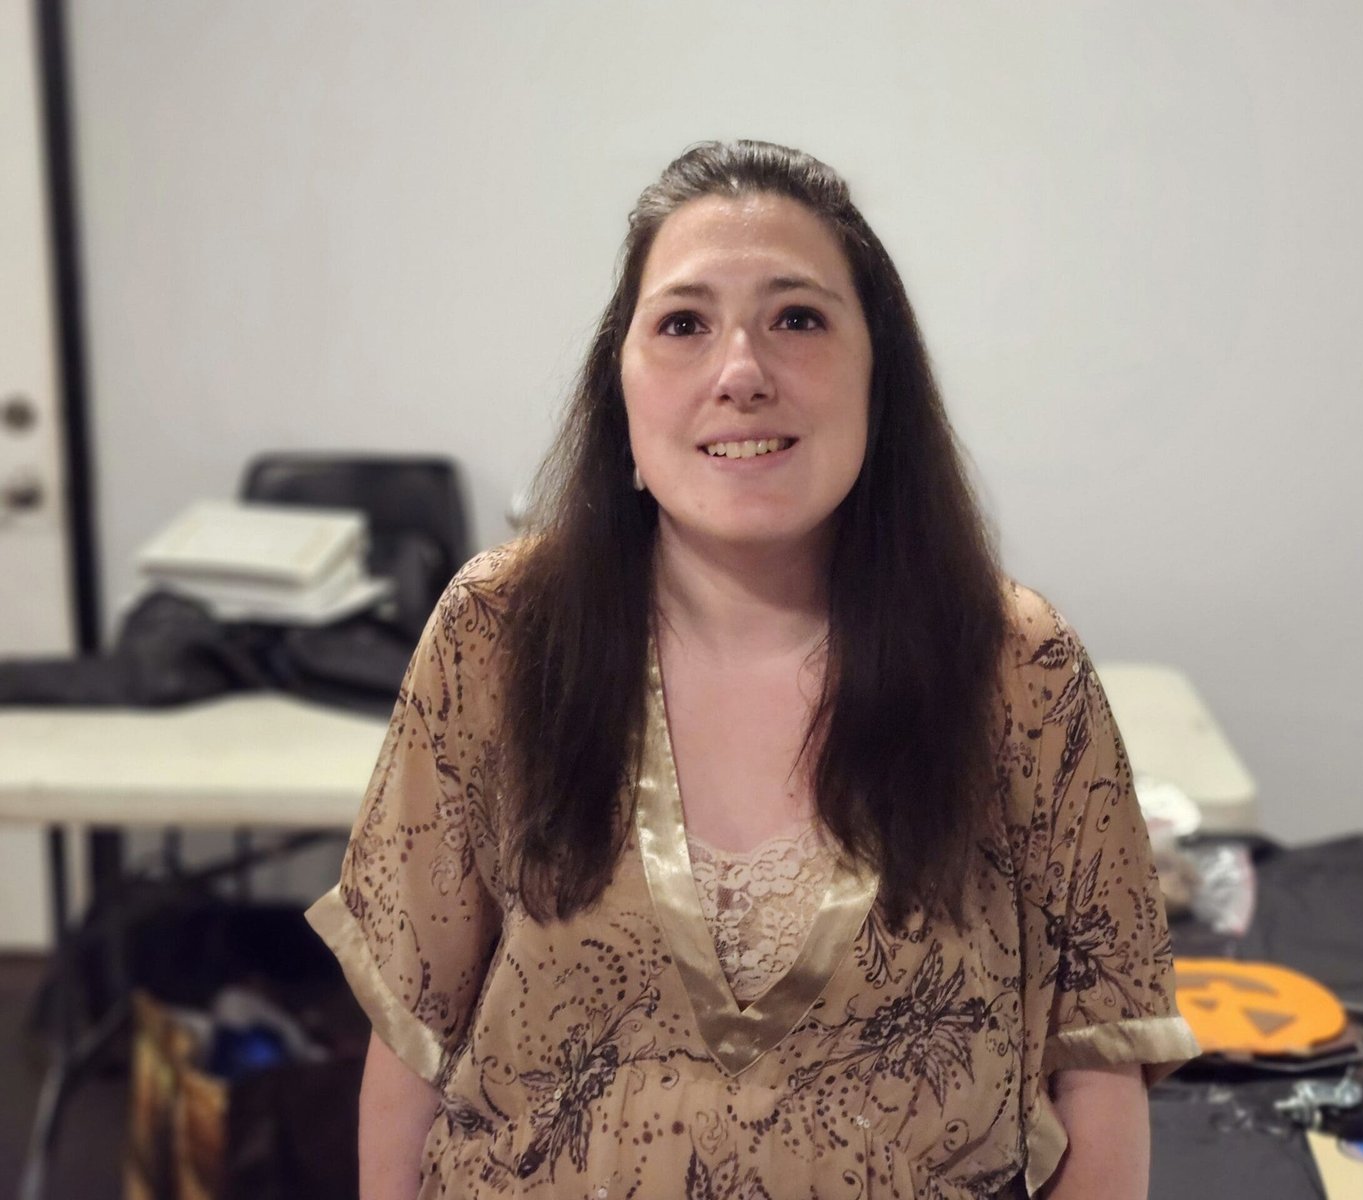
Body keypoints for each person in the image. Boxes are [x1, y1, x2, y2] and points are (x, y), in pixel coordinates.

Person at [307, 139, 1198, 1200]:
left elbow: (1096, 1066)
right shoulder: (500, 635)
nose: (740, 373)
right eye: (683, 324)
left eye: (798, 319)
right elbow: (414, 1032)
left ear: (880, 381)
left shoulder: (1015, 667)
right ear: (621, 394)